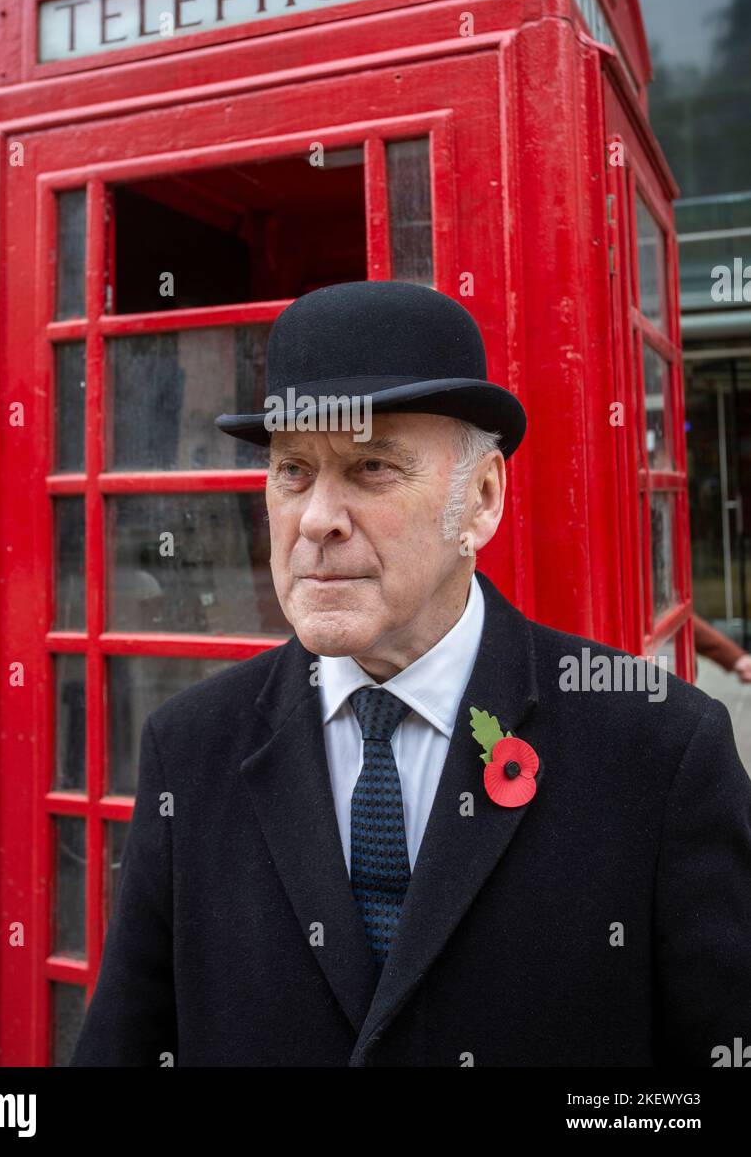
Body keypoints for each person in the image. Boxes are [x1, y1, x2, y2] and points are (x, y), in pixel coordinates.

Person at [70, 279, 751, 1068]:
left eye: (371, 468)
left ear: (483, 500)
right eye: (293, 469)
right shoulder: (188, 749)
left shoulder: (660, 748)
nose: (317, 518)